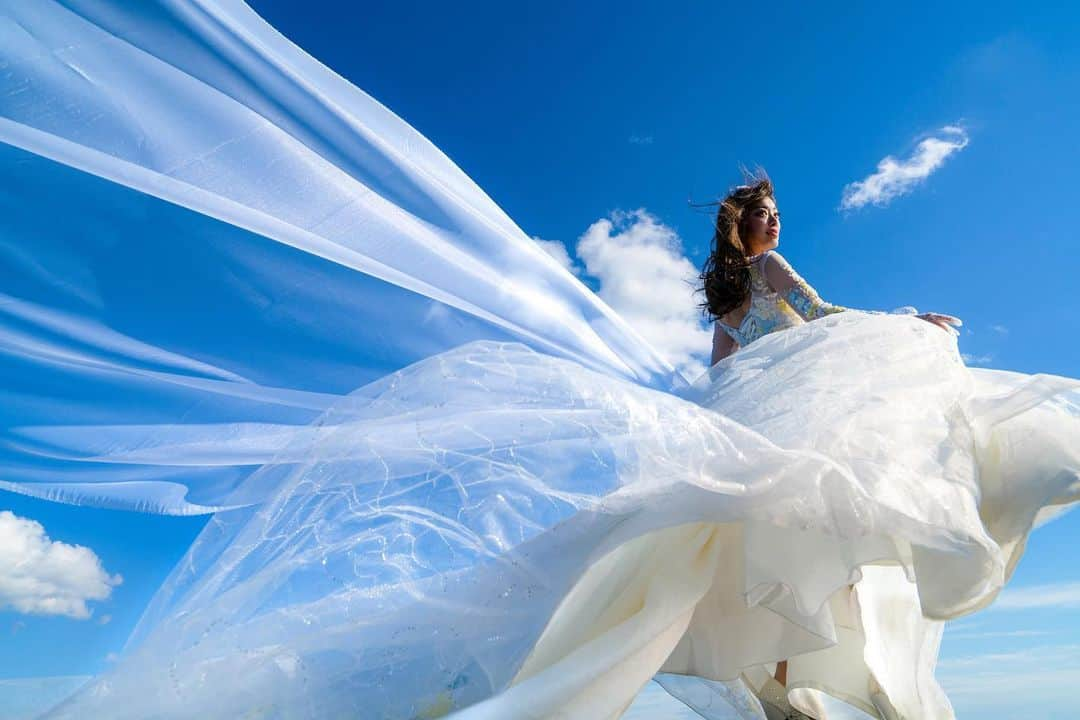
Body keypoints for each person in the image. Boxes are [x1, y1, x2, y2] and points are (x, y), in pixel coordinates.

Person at [2, 4, 1079, 720]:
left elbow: (717, 377)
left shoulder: (717, 303)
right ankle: (798, 686)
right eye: (769, 214)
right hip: (785, 417)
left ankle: (787, 686)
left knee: (746, 560)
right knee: (828, 537)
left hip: (755, 420)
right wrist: (914, 322)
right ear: (753, 227)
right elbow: (826, 312)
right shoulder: (769, 272)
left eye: (773, 214)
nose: (774, 222)